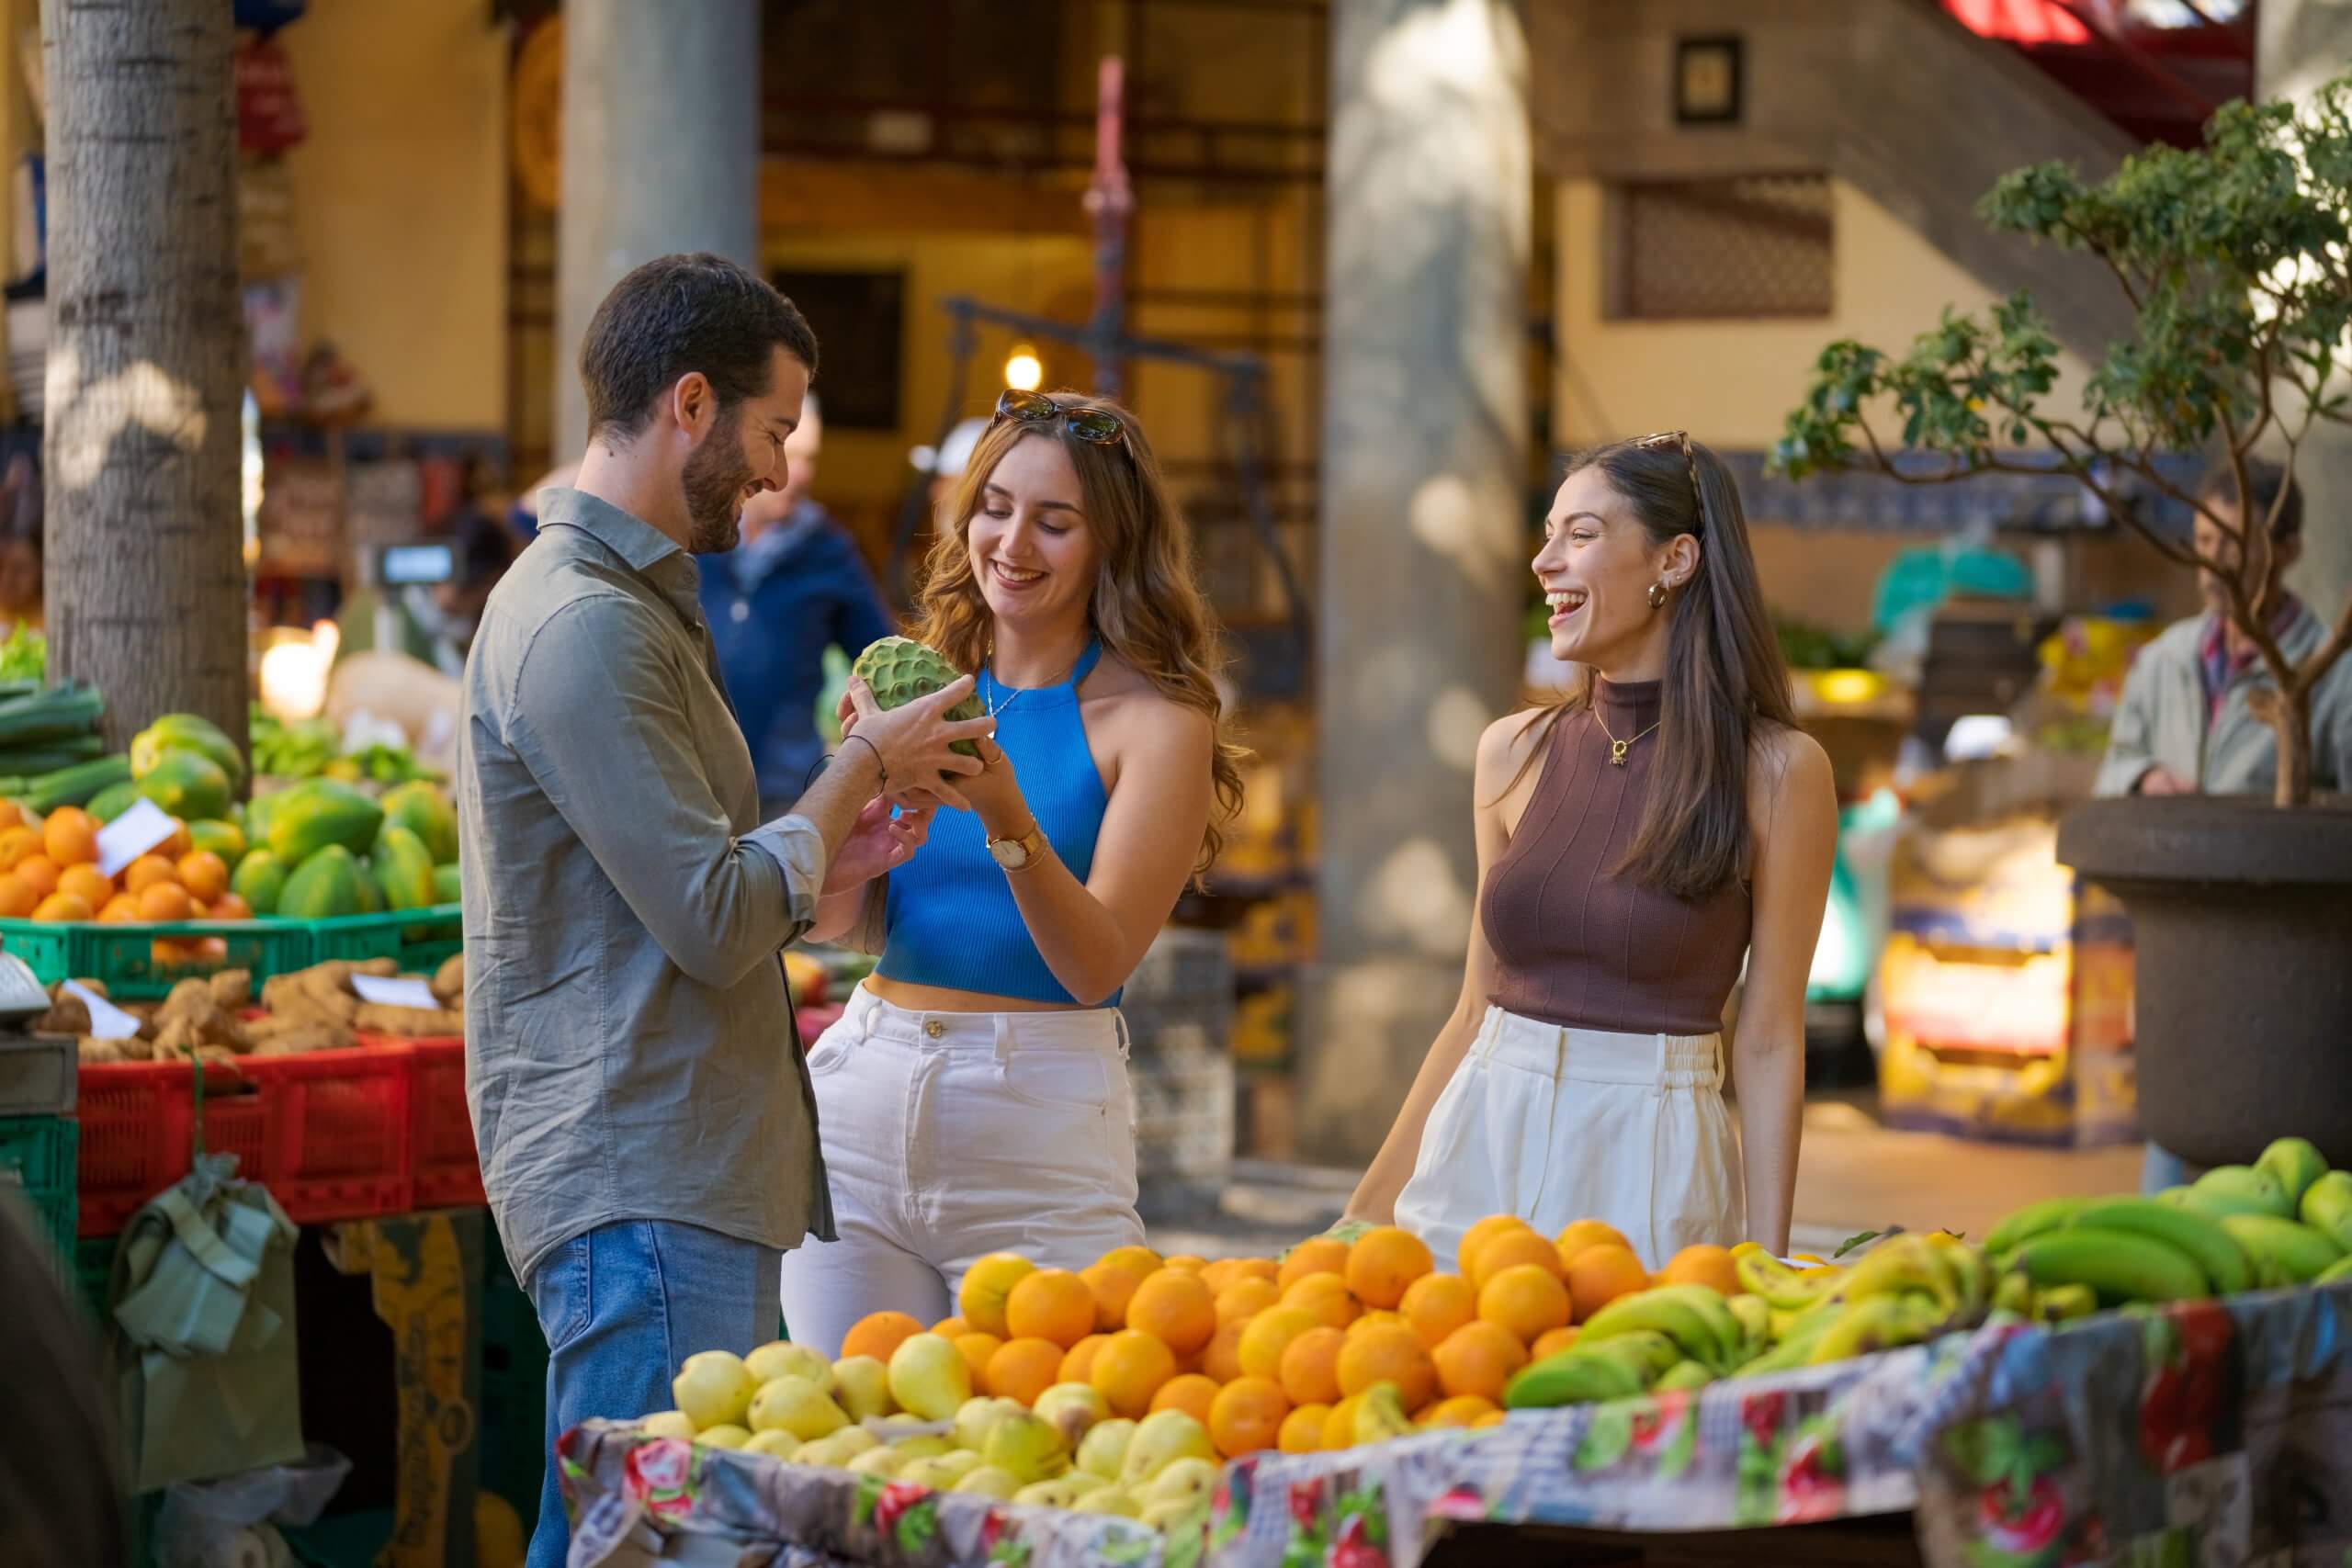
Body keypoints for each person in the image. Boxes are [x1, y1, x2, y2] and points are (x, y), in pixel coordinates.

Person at [457, 253, 992, 1568]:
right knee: (655, 1543)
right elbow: (708, 912)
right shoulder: (585, 625)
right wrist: (858, 764)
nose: (777, 468)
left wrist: (837, 847)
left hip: (675, 1159)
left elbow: (709, 899)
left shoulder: (630, 606)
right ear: (690, 404)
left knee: (619, 1536)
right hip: (643, 1167)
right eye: (772, 430)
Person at [778, 388, 1245, 1356]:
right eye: (994, 506)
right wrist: (851, 831)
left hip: (1036, 1125)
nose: (1012, 542)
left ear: (1111, 541)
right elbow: (834, 925)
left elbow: (1094, 965)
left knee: (1048, 1445)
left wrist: (1005, 814)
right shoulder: (916, 683)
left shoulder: (1159, 723)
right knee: (855, 1450)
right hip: (863, 1098)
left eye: (1054, 520)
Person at [1343, 433, 1838, 1269]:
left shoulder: (1780, 772)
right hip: (1478, 1143)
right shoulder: (1511, 751)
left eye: (1579, 535)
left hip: (1649, 1160)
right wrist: (1362, 1211)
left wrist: (1769, 1262)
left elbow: (1768, 1035)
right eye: (1547, 534)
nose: (1543, 562)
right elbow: (1472, 1011)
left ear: (1674, 561)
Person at [2093, 460, 2352, 1191]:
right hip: (2181, 951)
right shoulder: (2165, 661)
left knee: (2282, 1163)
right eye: (2204, 537)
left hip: (2292, 964)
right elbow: (2112, 769)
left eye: (2235, 543)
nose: (2215, 563)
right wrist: (2144, 778)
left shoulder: (2330, 671)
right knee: (2177, 1132)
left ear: (2290, 547)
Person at [701, 393, 898, 818]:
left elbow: (884, 658)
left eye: (811, 457)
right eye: (788, 451)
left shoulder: (829, 551)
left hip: (781, 792)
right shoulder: (695, 535)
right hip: (690, 781)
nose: (800, 472)